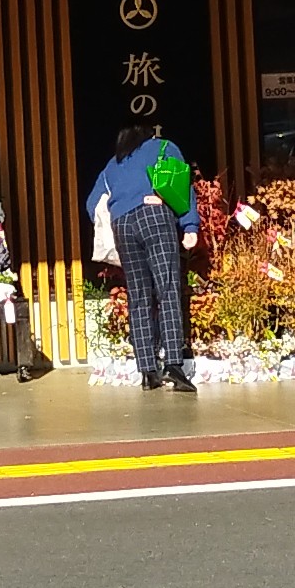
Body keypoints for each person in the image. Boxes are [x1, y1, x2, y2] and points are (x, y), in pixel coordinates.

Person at [88, 116, 200, 392]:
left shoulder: (112, 166)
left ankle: (147, 371)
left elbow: (92, 203)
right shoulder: (163, 147)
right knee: (167, 290)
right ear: (148, 134)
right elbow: (182, 184)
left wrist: (116, 216)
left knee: (138, 297)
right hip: (154, 217)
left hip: (122, 225)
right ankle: (173, 365)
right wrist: (190, 224)